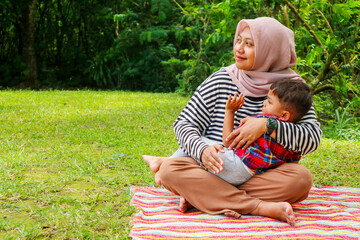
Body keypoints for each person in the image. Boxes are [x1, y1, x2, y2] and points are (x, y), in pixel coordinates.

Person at [143, 17, 322, 226]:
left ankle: (204, 194)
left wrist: (267, 125)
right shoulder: (221, 79)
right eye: (239, 40)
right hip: (215, 164)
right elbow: (183, 124)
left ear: (270, 50)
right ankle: (257, 206)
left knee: (300, 179)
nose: (239, 48)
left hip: (261, 172)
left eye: (249, 44)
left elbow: (312, 139)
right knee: (169, 170)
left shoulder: (293, 90)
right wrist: (202, 150)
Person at [212, 79, 313, 186]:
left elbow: (228, 141)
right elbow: (292, 165)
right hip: (259, 178)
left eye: (269, 102)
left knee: (205, 145)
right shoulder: (292, 138)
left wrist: (230, 111)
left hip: (237, 167)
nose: (264, 103)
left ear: (284, 115)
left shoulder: (259, 121)